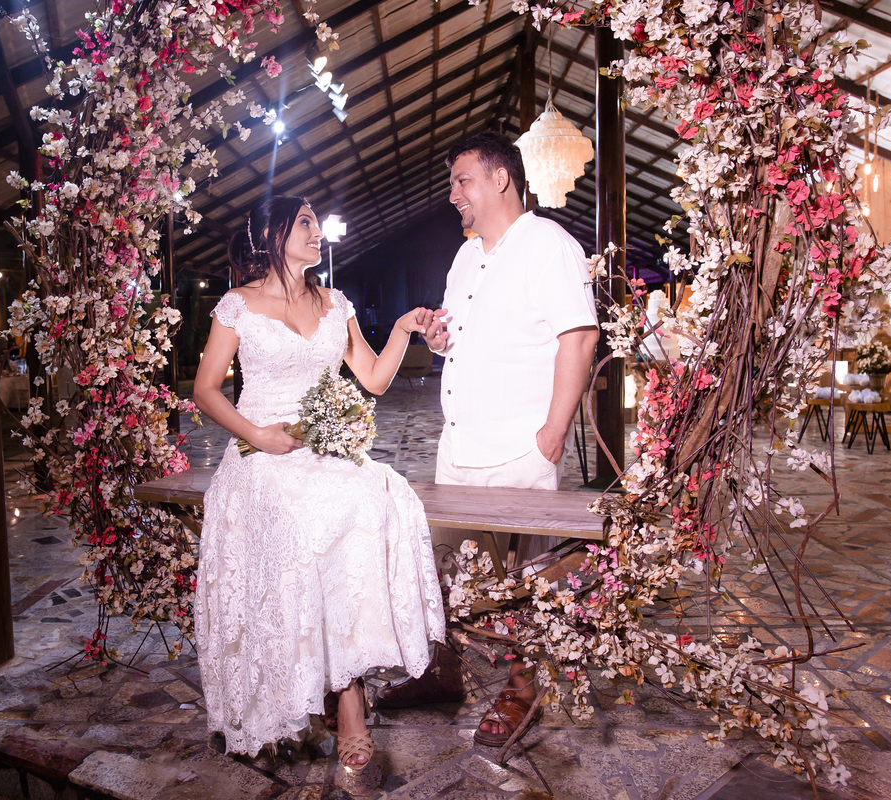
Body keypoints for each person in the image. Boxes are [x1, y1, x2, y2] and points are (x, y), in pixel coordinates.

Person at [191, 196, 446, 768]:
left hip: (323, 451)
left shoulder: (336, 304)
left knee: (372, 496)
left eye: (316, 223)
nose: (317, 232)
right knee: (301, 526)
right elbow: (206, 389)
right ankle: (334, 694)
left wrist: (404, 327)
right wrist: (257, 434)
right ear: (270, 234)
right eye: (304, 222)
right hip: (261, 456)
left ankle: (347, 686)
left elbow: (376, 380)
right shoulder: (238, 305)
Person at [375, 131, 599, 747]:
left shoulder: (549, 245)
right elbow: (463, 336)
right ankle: (440, 673)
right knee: (444, 567)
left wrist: (552, 432)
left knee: (519, 578)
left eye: (461, 181)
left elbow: (578, 338)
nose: (453, 196)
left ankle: (523, 688)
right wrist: (442, 341)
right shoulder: (466, 257)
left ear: (500, 179)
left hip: (519, 449)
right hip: (460, 447)